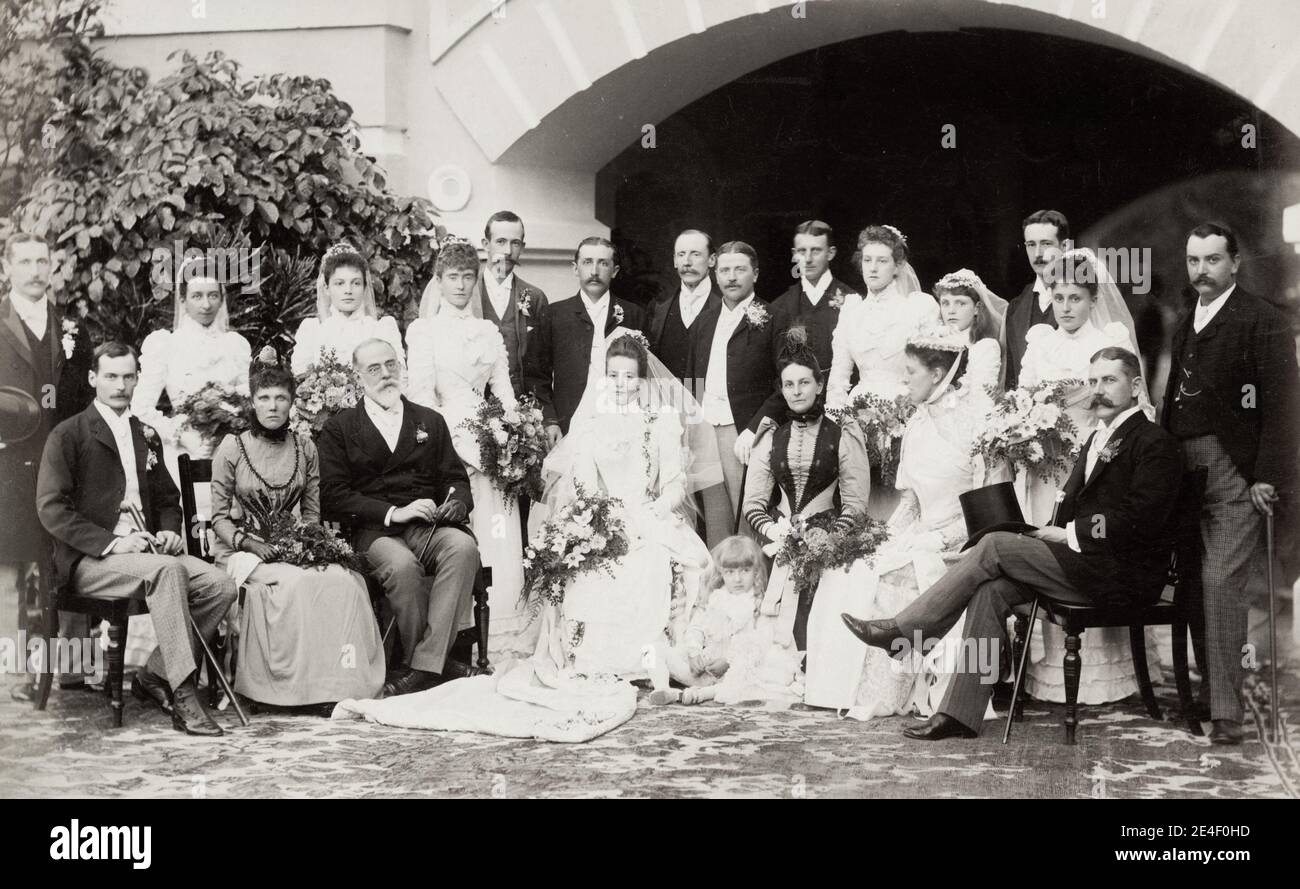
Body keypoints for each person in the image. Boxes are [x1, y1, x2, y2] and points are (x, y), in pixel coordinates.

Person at [842, 347, 1182, 740]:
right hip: (1085, 565)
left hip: (1122, 575)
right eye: (1092, 381)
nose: (1098, 390)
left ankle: (906, 631)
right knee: (989, 591)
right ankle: (959, 713)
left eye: (1109, 380)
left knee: (993, 546)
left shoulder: (1153, 442)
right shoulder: (1096, 438)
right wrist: (1046, 531)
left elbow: (1142, 518)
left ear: (1136, 385)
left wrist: (1071, 534)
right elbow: (1068, 506)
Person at [36, 342, 238, 736]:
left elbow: (167, 498)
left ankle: (155, 674)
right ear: (94, 379)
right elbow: (51, 508)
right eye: (111, 376)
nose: (120, 385)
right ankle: (184, 696)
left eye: (128, 376)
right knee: (165, 572)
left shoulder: (145, 433)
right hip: (89, 561)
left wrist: (166, 527)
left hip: (145, 555)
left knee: (220, 584)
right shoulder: (68, 434)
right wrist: (111, 543)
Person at [805, 326, 1007, 718]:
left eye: (910, 371)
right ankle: (834, 688)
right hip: (922, 532)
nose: (903, 379)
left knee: (892, 577)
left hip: (964, 542)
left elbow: (990, 512)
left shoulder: (977, 426)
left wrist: (941, 539)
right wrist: (884, 536)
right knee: (849, 569)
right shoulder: (915, 424)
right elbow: (910, 503)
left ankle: (891, 691)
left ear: (937, 374)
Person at [1161, 222, 1300, 744]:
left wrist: (1266, 476)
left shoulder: (1262, 320)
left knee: (1221, 581)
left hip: (1237, 471)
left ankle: (1227, 715)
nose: (1202, 271)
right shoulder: (1183, 323)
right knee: (1194, 584)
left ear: (1235, 262)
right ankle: (1208, 693)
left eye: (1213, 260)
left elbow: (1285, 407)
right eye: (1194, 261)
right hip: (1184, 468)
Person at [1017, 247, 1155, 705]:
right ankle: (1041, 676)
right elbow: (1020, 403)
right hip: (1044, 465)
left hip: (1098, 466)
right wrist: (1024, 431)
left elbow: (1132, 410)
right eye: (1060, 298)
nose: (1067, 307)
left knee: (1086, 553)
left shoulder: (1110, 337)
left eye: (1076, 297)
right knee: (1043, 551)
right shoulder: (1040, 340)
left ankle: (1106, 680)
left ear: (1093, 298)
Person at [209, 365, 384, 707]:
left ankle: (336, 684)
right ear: (253, 402)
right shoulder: (232, 447)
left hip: (290, 545)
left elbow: (311, 514)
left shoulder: (305, 447)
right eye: (264, 398)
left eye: (281, 398)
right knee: (295, 585)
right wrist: (251, 543)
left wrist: (313, 544)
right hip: (241, 550)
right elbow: (217, 519)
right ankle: (286, 687)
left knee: (344, 580)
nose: (273, 406)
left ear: (291, 403)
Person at [317, 338, 478, 697]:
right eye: (374, 369)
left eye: (391, 365)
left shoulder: (430, 421)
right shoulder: (340, 428)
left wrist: (458, 504)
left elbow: (454, 478)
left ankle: (423, 665)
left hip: (427, 525)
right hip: (374, 531)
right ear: (358, 377)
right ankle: (436, 664)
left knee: (462, 547)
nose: (385, 374)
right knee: (402, 567)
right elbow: (333, 495)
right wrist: (394, 512)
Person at [406, 240, 536, 661]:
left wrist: (512, 435)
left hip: (491, 440)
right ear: (439, 282)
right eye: (452, 277)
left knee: (499, 531)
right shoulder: (423, 331)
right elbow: (422, 398)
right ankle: (460, 634)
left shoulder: (487, 331)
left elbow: (504, 392)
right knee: (465, 536)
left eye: (467, 277)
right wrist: (454, 445)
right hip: (446, 442)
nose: (461, 285)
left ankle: (502, 636)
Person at [1, 233, 94, 700]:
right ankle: (24, 672)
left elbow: (82, 400)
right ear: (7, 268)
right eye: (25, 262)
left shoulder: (73, 327)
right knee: (22, 564)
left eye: (43, 261)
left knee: (64, 559)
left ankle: (72, 669)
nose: (36, 270)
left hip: (62, 463)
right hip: (9, 464)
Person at [742, 328, 871, 652]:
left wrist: (828, 540)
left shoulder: (843, 434)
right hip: (777, 542)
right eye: (789, 384)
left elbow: (855, 504)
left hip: (829, 543)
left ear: (820, 385)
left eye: (804, 383)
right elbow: (753, 503)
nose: (797, 391)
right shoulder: (771, 435)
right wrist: (777, 531)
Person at [685, 240, 788, 547]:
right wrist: (690, 429)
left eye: (739, 269)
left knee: (749, 514)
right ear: (715, 275)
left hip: (745, 431)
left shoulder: (773, 318)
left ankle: (751, 589)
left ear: (754, 274)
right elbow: (692, 379)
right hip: (705, 429)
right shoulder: (704, 321)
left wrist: (756, 427)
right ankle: (720, 589)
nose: (731, 277)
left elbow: (787, 382)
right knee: (715, 517)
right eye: (724, 270)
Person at [132, 256, 252, 486]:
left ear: (221, 299)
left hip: (233, 452)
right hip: (184, 452)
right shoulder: (166, 345)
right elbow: (140, 409)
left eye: (212, 295)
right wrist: (181, 434)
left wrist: (230, 428)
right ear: (183, 300)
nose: (206, 305)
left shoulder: (235, 345)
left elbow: (248, 400)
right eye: (197, 296)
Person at [649, 534, 800, 706]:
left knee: (759, 664)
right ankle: (662, 688)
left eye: (745, 570)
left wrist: (728, 661)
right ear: (721, 572)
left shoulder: (759, 603)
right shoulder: (715, 599)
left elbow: (758, 644)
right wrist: (694, 653)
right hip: (706, 671)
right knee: (650, 650)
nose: (737, 579)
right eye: (730, 572)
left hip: (737, 674)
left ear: (756, 571)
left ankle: (704, 694)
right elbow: (695, 628)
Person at [523, 237, 646, 441]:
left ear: (614, 271)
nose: (595, 271)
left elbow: (646, 377)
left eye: (603, 263)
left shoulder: (634, 315)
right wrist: (550, 421)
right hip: (570, 425)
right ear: (575, 268)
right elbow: (536, 375)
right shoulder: (554, 314)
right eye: (587, 262)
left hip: (623, 425)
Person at [826, 224, 938, 409]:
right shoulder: (852, 311)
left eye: (882, 261)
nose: (873, 268)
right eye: (867, 260)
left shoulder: (917, 308)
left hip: (905, 409)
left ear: (897, 266)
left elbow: (930, 373)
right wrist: (836, 420)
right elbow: (839, 375)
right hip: (859, 409)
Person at [290, 243, 405, 376]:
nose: (348, 291)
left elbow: (399, 379)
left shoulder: (382, 329)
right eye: (339, 283)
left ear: (364, 287)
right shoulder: (312, 330)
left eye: (356, 283)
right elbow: (301, 380)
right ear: (326, 288)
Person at [768, 220, 860, 373]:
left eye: (816, 250)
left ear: (830, 253)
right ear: (794, 255)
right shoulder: (779, 306)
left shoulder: (852, 300)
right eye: (802, 251)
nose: (808, 259)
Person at [477, 210, 550, 396]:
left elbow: (541, 369)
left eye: (515, 243)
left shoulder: (535, 297)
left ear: (522, 247)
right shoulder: (469, 292)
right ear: (486, 244)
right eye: (500, 241)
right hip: (473, 404)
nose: (508, 251)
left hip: (519, 409)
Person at [1003, 210, 1069, 390]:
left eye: (1046, 244)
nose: (1038, 253)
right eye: (1031, 245)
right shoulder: (1016, 307)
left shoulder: (1081, 301)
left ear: (1064, 247)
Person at [649, 229, 721, 381]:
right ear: (675, 260)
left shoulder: (725, 302)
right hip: (667, 398)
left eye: (696, 254)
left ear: (712, 260)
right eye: (681, 254)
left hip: (708, 399)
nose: (687, 262)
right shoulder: (658, 305)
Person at [933, 269, 1007, 395]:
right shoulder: (933, 342)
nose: (951, 311)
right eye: (945, 303)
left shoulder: (985, 348)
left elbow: (982, 401)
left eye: (960, 303)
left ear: (977, 309)